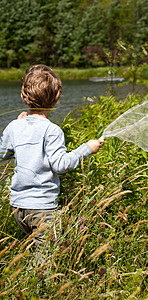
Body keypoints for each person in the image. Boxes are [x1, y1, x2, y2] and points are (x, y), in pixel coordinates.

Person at [0, 64, 103, 247]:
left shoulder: (14, 127)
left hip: (18, 206)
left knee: (33, 251)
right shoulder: (52, 130)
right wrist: (86, 148)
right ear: (56, 100)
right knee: (46, 259)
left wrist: (17, 126)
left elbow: (3, 153)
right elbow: (61, 165)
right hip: (42, 208)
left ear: (24, 98)